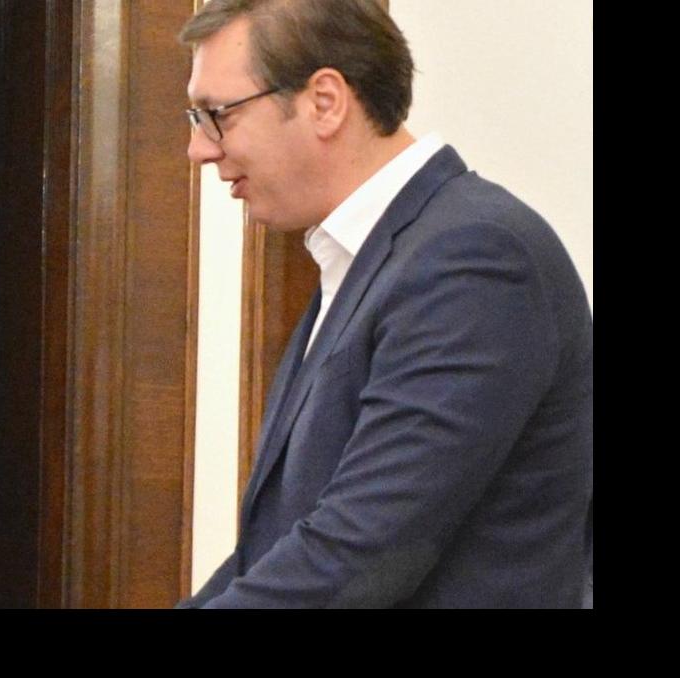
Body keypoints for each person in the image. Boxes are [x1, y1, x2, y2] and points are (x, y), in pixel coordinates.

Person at [177, 0, 592, 607]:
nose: (200, 148)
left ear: (325, 102)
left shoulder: (471, 258)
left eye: (218, 115)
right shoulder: (371, 258)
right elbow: (274, 549)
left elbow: (364, 547)